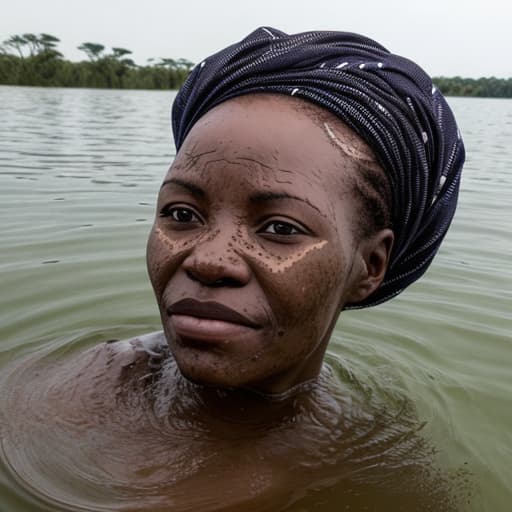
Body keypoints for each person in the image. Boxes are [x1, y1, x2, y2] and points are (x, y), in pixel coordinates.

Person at [0, 28, 466, 511]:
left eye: (281, 228)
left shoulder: (387, 471)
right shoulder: (54, 405)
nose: (208, 259)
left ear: (369, 266)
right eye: (182, 215)